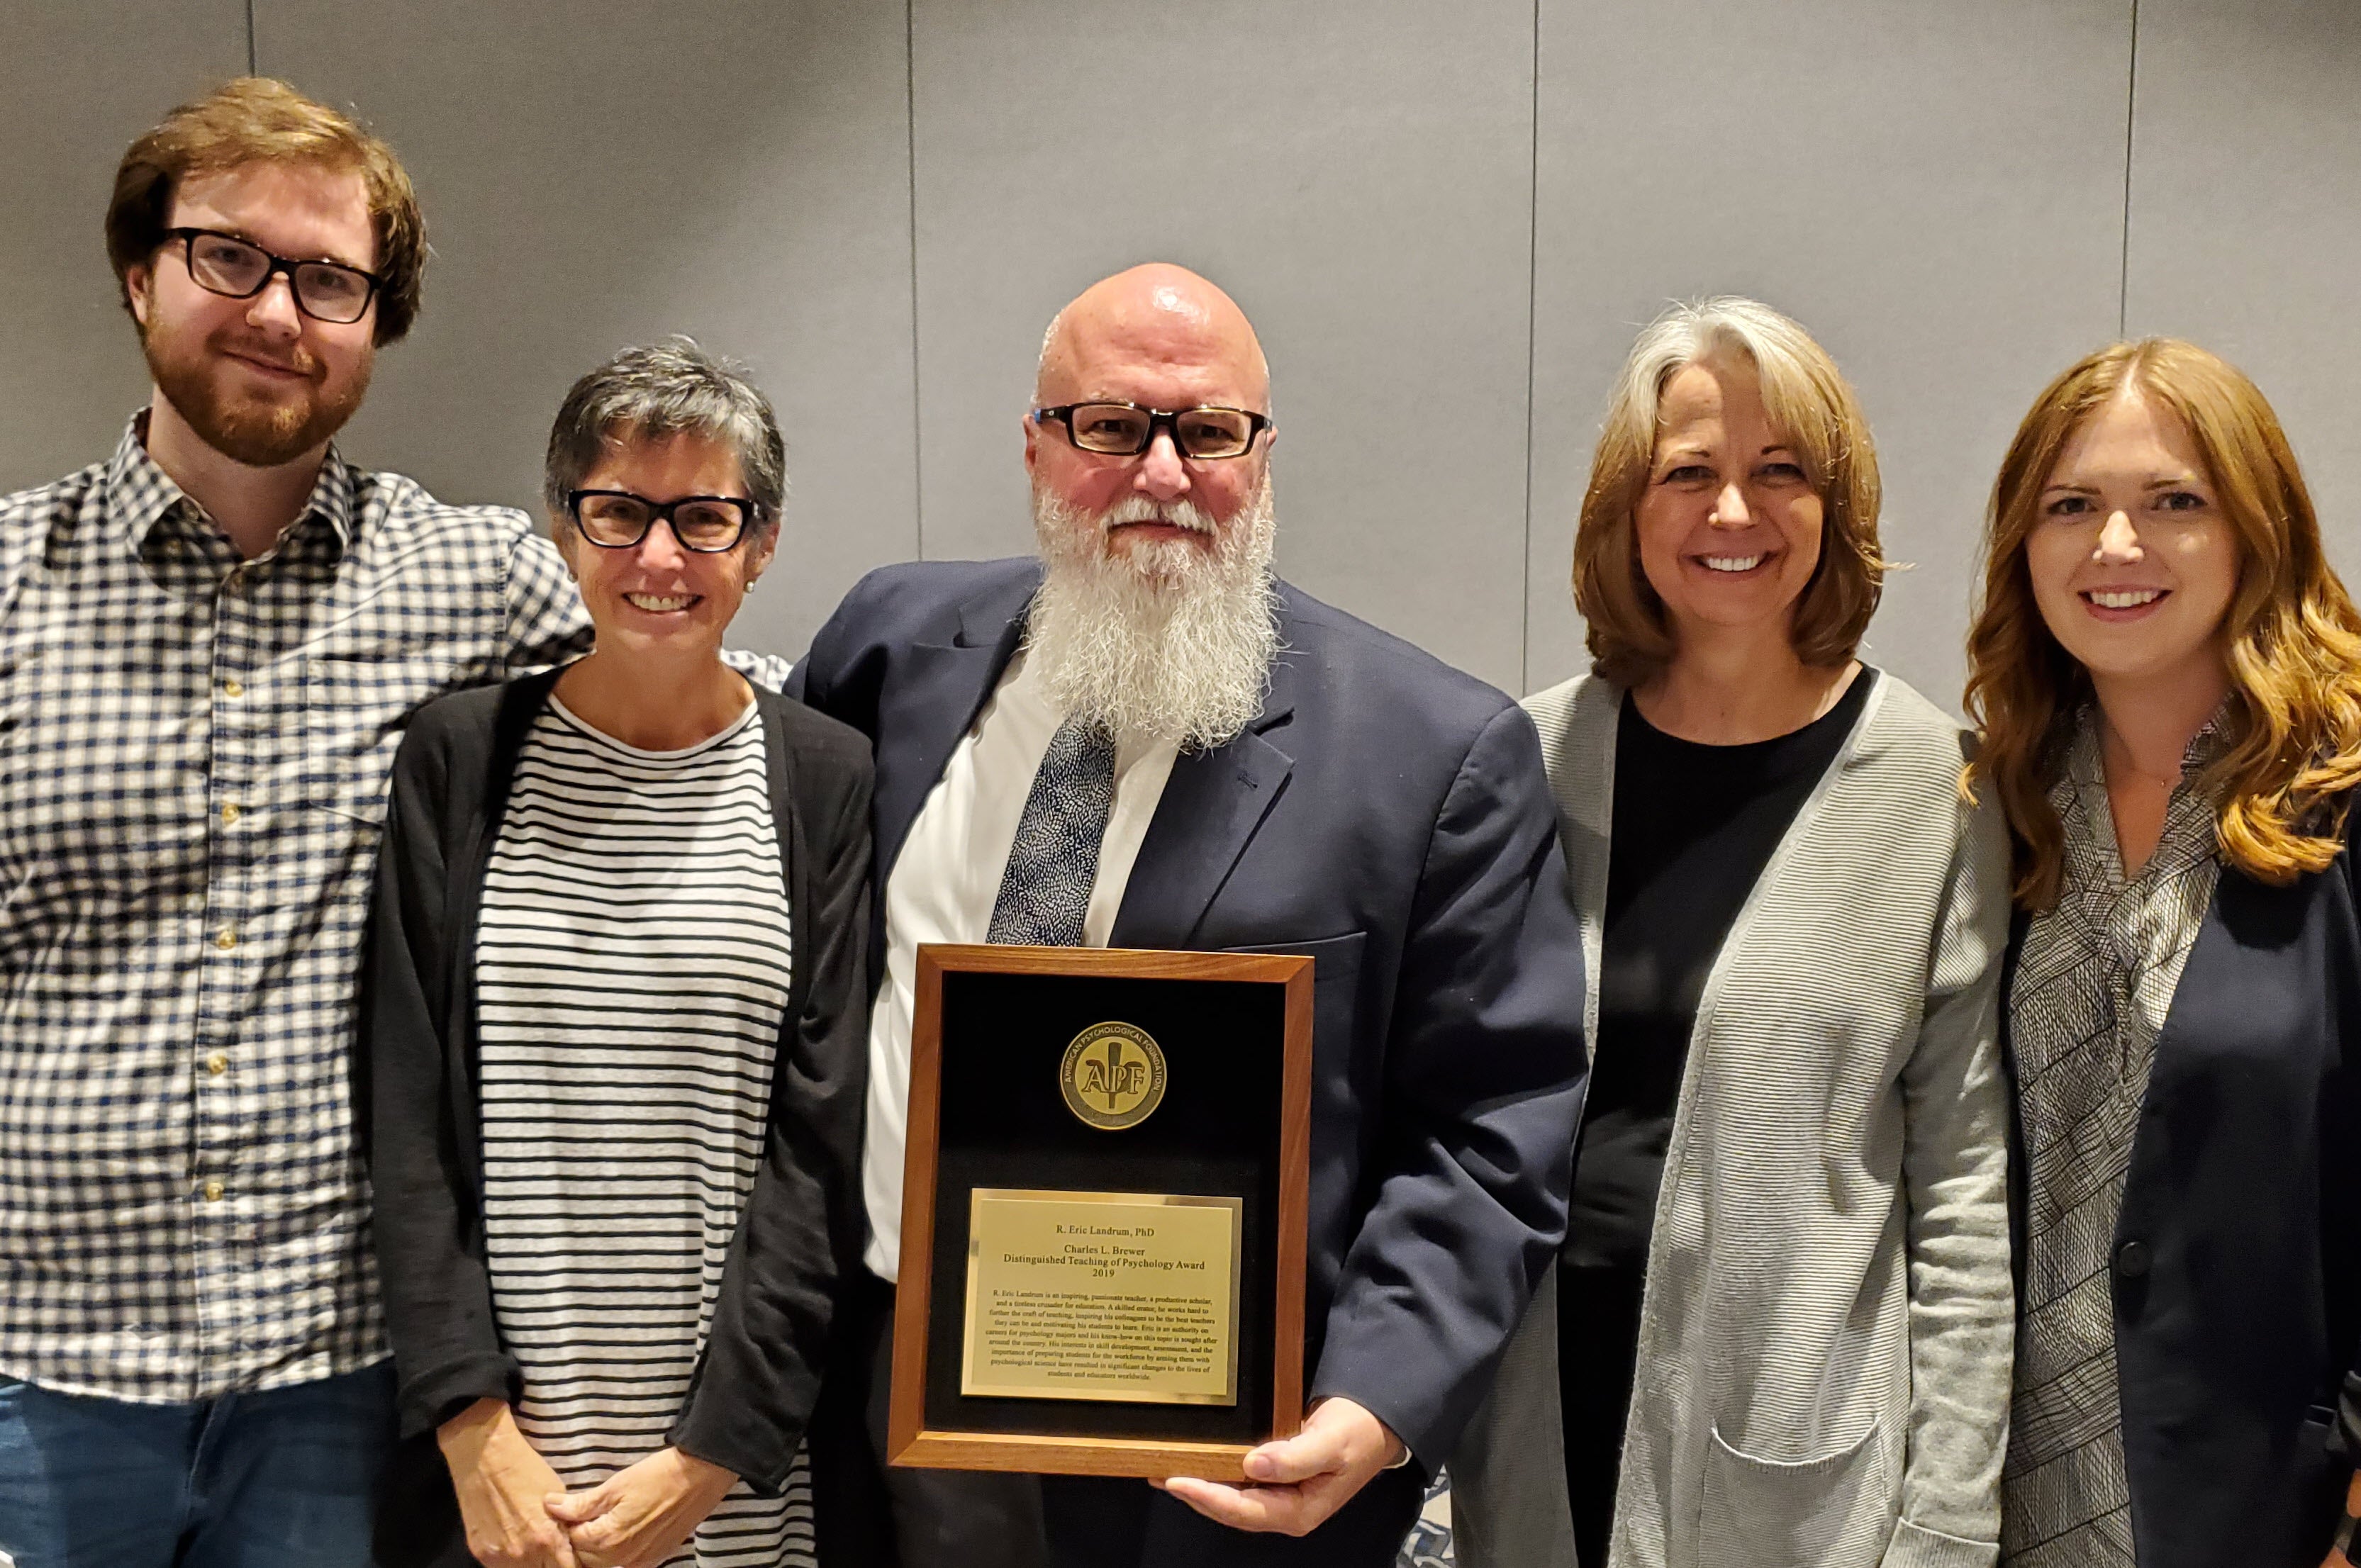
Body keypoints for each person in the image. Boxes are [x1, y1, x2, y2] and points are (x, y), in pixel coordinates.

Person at [0, 80, 781, 1565]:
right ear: (137, 269)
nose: (278, 312)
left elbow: (702, 690)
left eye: (331, 280)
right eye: (230, 256)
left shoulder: (473, 576)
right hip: (42, 1372)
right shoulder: (6, 589)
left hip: (337, 1380)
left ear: (377, 318)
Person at [788, 262, 1585, 1567]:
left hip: (1218, 1466)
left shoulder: (1432, 753)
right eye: (1108, 428)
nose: (1159, 473)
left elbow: (1492, 1123)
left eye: (1207, 432)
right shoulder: (886, 649)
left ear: (1260, 458)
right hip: (897, 1399)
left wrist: (1381, 1404)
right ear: (1038, 447)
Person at [1451, 298, 2014, 1568]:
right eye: (1687, 473)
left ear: (1837, 506)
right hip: (1536, 1425)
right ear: (1623, 510)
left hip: (1789, 1458)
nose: (1731, 515)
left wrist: (1946, 1519)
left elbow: (1965, 1193)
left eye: (1779, 474)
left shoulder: (1935, 786)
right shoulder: (1522, 765)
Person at [364, 340, 872, 1568]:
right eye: (618, 512)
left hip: (734, 1468)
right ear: (561, 527)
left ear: (760, 543)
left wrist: (713, 1456)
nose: (657, 558)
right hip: (500, 1471)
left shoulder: (823, 776)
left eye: (702, 518)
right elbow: (407, 1116)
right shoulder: (458, 759)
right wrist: (470, 1423)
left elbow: (823, 1142)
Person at [1963, 339, 2361, 1568]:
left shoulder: (2343, 796)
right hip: (1983, 1496)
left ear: (2257, 529)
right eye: (2069, 506)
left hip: (2265, 1507)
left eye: (2172, 503)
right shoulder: (1995, 803)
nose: (2114, 547)